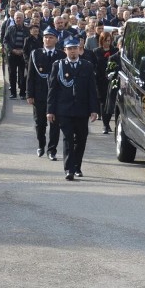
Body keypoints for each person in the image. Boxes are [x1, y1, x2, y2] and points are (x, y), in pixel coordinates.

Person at [47, 36, 99, 181]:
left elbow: (92, 90)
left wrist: (94, 110)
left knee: (81, 139)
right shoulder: (58, 66)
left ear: (79, 49)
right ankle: (69, 169)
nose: (73, 51)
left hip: (82, 110)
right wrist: (50, 110)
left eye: (75, 48)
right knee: (68, 139)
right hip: (64, 110)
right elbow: (53, 89)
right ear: (65, 50)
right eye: (70, 49)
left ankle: (77, 166)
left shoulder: (87, 66)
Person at [26, 27, 64, 159]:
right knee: (40, 123)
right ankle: (41, 145)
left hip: (56, 96)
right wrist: (29, 94)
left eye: (51, 37)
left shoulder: (61, 55)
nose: (48, 39)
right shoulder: (35, 54)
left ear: (56, 40)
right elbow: (30, 75)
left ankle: (51, 150)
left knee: (55, 124)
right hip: (39, 94)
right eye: (46, 37)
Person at [93, 31, 118, 134]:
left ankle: (108, 123)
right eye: (105, 41)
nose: (107, 43)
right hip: (100, 81)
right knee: (103, 102)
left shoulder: (114, 51)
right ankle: (105, 125)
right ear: (101, 41)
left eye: (109, 40)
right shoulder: (96, 51)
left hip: (112, 80)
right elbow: (94, 66)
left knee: (111, 102)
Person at [4, 11, 29, 99]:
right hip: (12, 54)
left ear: (23, 18)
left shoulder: (27, 29)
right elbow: (5, 41)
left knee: (23, 74)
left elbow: (28, 43)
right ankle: (13, 93)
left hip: (23, 55)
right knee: (12, 74)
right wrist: (12, 50)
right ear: (14, 19)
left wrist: (23, 51)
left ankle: (22, 93)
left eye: (20, 17)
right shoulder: (10, 28)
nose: (18, 19)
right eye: (17, 17)